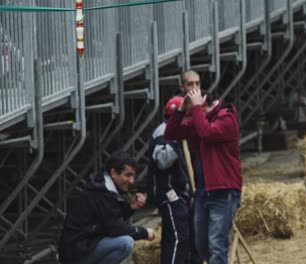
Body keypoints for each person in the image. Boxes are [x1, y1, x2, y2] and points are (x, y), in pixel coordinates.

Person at [164, 88, 242, 264]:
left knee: (216, 245)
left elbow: (208, 133)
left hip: (223, 190)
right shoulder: (199, 120)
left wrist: (196, 108)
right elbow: (170, 134)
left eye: (194, 111)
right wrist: (180, 110)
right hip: (203, 191)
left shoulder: (227, 117)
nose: (191, 116)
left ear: (204, 103)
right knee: (201, 246)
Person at [58, 151, 155, 264]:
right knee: (125, 243)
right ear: (114, 173)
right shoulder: (101, 193)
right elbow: (117, 228)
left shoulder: (102, 187)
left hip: (81, 247)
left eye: (133, 176)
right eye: (128, 175)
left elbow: (110, 218)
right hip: (77, 253)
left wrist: (130, 207)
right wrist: (144, 232)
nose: (131, 181)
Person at [147, 96, 192, 264]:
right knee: (178, 239)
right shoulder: (164, 132)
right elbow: (161, 161)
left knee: (176, 238)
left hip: (179, 191)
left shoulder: (180, 132)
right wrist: (177, 141)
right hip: (168, 192)